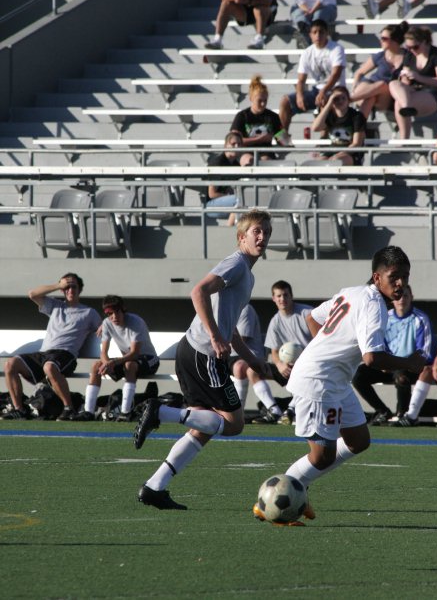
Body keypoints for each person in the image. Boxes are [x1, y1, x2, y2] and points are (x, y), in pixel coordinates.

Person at [254, 246, 426, 524]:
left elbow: (313, 318)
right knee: (322, 456)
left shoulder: (352, 291)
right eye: (394, 276)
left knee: (359, 441)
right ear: (376, 276)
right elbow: (372, 358)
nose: (401, 283)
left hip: (336, 379)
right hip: (319, 381)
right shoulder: (373, 305)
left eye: (405, 276)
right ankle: (273, 502)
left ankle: (295, 493)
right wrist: (410, 363)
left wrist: (324, 349)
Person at [133, 209, 273, 510]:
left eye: (266, 232)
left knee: (204, 427)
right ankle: (161, 412)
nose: (262, 237)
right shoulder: (236, 263)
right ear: (241, 237)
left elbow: (229, 324)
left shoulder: (246, 273)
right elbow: (198, 291)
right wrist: (214, 337)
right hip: (203, 354)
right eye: (256, 231)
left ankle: (154, 488)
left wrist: (251, 358)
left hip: (193, 350)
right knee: (234, 424)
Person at [2, 273, 101, 421]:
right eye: (66, 287)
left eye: (73, 286)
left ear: (79, 289)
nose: (70, 290)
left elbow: (103, 329)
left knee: (49, 367)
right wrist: (58, 285)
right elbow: (32, 294)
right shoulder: (55, 306)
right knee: (10, 364)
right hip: (44, 354)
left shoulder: (89, 312)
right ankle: (19, 410)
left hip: (65, 355)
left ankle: (69, 409)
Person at [352, 284, 433, 425]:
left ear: (411, 298)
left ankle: (403, 415)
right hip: (387, 364)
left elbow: (424, 352)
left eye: (406, 296)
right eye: (399, 296)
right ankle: (382, 411)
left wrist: (403, 362)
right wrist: (383, 361)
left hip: (408, 367)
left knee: (402, 375)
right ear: (392, 298)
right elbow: (378, 343)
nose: (402, 299)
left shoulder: (420, 318)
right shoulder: (385, 317)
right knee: (358, 375)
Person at [72, 295, 160, 422]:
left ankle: (125, 412)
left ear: (123, 309)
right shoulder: (107, 323)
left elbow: (135, 353)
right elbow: (103, 352)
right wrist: (107, 363)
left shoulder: (136, 322)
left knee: (130, 365)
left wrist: (112, 362)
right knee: (97, 366)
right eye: (109, 314)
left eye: (116, 312)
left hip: (150, 360)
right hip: (126, 360)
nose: (114, 317)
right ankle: (88, 411)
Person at [257, 280, 313, 425]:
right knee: (253, 371)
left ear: (291, 296)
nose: (283, 299)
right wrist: (280, 365)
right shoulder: (275, 322)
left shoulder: (307, 314)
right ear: (274, 299)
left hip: (309, 366)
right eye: (279, 296)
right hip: (286, 367)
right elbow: (274, 351)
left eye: (286, 295)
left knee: (304, 375)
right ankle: (274, 410)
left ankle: (290, 411)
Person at [278, 19, 346, 133]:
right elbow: (301, 79)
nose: (318, 35)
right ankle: (283, 140)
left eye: (321, 32)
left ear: (327, 33)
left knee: (324, 101)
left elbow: (336, 74)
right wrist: (299, 95)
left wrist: (324, 91)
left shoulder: (336, 49)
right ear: (310, 35)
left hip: (336, 90)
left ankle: (324, 141)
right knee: (285, 102)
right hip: (317, 91)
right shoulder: (307, 52)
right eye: (314, 32)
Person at [388, 26, 437, 139]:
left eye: (415, 47)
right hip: (413, 91)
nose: (411, 50)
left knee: (398, 104)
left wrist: (418, 77)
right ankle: (407, 109)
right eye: (408, 47)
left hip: (432, 93)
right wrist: (405, 78)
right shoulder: (410, 55)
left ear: (424, 42)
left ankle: (403, 139)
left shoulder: (436, 54)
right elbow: (404, 79)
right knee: (393, 84)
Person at [351, 23, 408, 120]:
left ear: (395, 40)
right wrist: (354, 87)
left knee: (382, 84)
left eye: (384, 39)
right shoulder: (381, 55)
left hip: (389, 96)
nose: (381, 41)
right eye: (381, 37)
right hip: (370, 91)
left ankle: (349, 99)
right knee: (370, 96)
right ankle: (358, 128)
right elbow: (359, 73)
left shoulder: (408, 57)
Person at [230, 75, 291, 160]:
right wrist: (259, 139)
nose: (263, 104)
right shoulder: (242, 116)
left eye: (265, 100)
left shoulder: (273, 117)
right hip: (246, 153)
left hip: (266, 153)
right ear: (251, 98)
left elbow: (285, 142)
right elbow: (233, 142)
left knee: (265, 160)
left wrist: (284, 138)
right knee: (249, 160)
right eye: (259, 101)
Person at [206, 131, 252, 226]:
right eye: (233, 144)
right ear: (226, 145)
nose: (236, 147)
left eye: (239, 144)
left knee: (246, 199)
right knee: (240, 198)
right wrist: (228, 195)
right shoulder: (218, 163)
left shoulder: (235, 164)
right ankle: (229, 229)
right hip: (211, 205)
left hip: (231, 202)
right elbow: (211, 194)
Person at [311, 86, 366, 166]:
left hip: (350, 153)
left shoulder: (357, 116)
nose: (340, 101)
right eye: (336, 99)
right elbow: (315, 128)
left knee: (336, 161)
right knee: (318, 163)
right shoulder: (329, 115)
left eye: (343, 98)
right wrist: (329, 103)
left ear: (348, 101)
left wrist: (340, 154)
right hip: (331, 151)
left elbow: (356, 143)